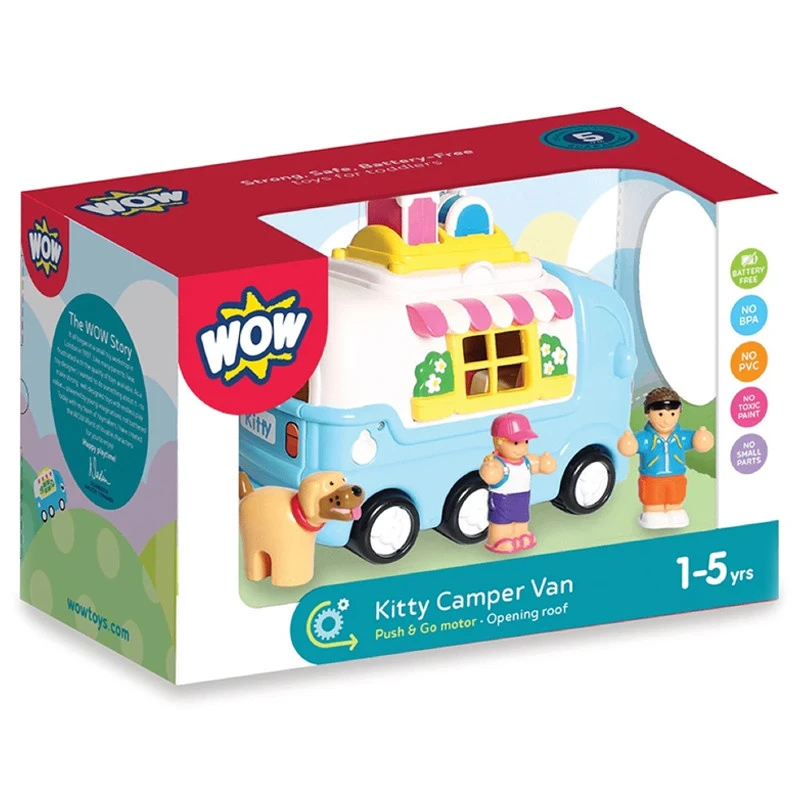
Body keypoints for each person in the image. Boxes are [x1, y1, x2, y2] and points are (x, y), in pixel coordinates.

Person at [617, 387, 714, 529]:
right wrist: (628, 443)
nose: (666, 420)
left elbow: (695, 440)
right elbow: (633, 445)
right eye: (661, 414)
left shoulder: (680, 436)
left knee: (676, 495)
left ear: (679, 412)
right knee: (652, 497)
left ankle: (675, 510)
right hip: (652, 477)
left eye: (672, 414)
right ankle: (653, 513)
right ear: (648, 413)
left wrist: (701, 438)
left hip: (676, 475)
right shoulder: (646, 438)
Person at [479, 412, 556, 554]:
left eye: (525, 442)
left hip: (522, 498)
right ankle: (499, 539)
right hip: (503, 499)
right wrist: (489, 470)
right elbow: (490, 476)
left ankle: (521, 535)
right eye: (516, 443)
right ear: (499, 442)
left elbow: (541, 465)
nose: (522, 448)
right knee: (502, 522)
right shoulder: (498, 463)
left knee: (521, 519)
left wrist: (545, 462)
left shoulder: (526, 460)